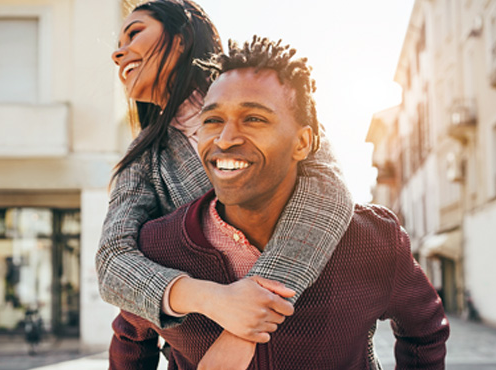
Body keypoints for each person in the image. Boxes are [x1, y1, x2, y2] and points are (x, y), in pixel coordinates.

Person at [109, 37, 450, 370]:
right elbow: (130, 338)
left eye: (254, 119)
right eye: (212, 121)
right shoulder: (159, 244)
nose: (225, 139)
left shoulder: (372, 239)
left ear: (302, 143)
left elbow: (425, 329)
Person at [97, 0, 354, 345]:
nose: (119, 54)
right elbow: (113, 261)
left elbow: (328, 191)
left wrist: (244, 330)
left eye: (134, 33)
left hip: (320, 339)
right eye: (118, 46)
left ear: (181, 38)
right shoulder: (145, 156)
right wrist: (211, 300)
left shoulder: (263, 89)